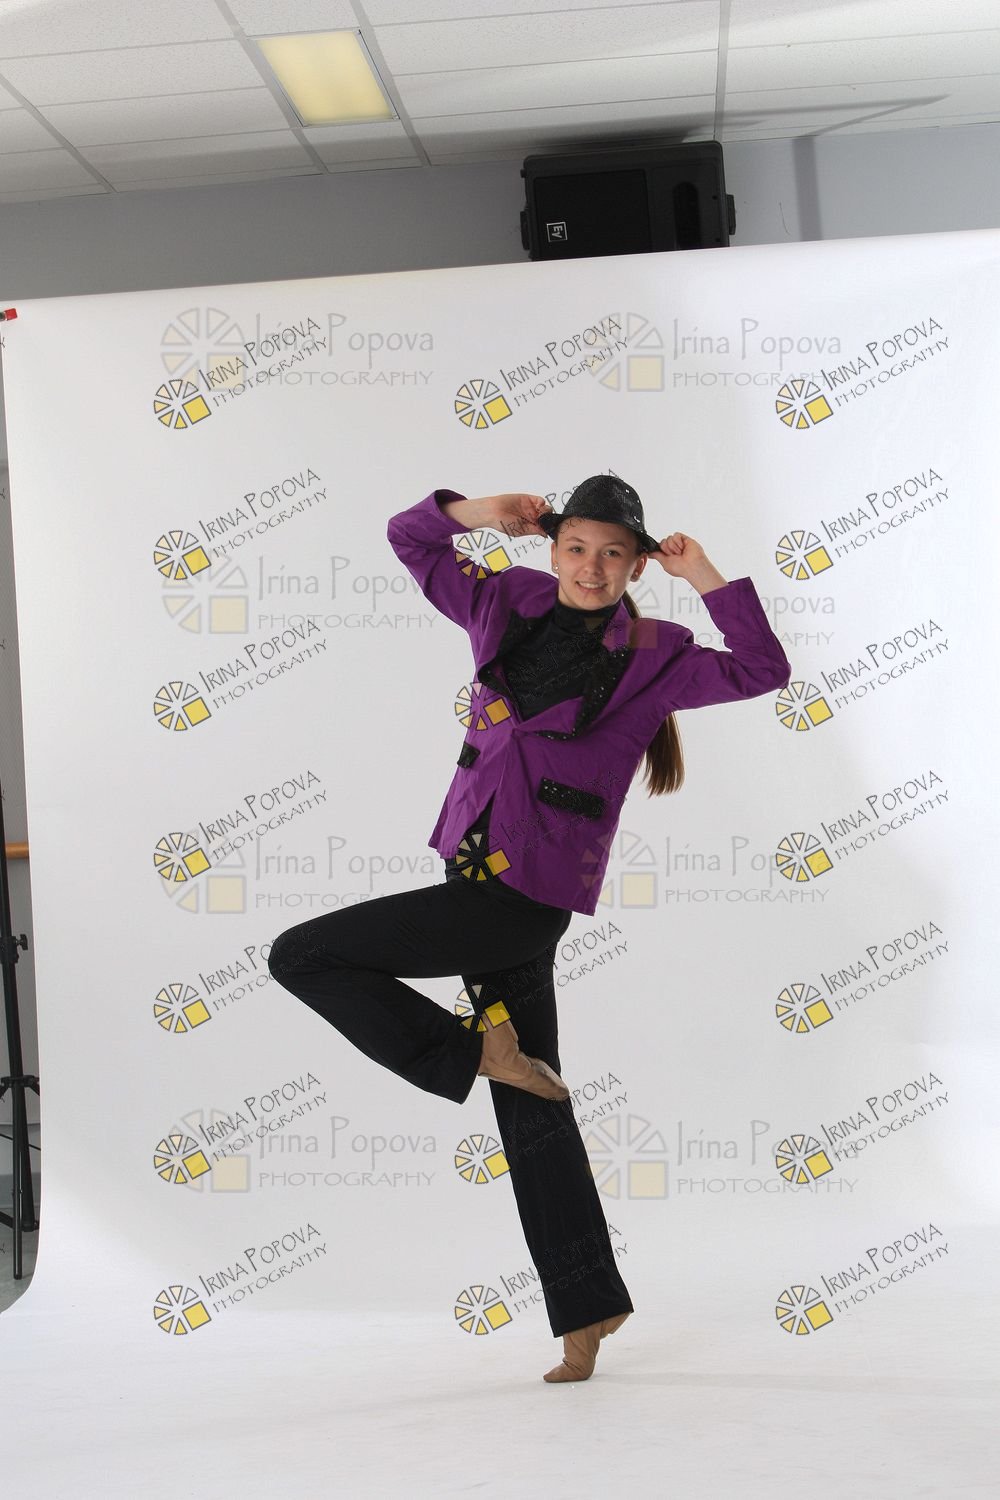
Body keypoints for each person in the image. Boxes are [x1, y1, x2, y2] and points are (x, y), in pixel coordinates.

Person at [268, 475, 791, 1382]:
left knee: (302, 955)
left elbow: (762, 669)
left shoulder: (657, 653)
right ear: (552, 550)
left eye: (613, 554)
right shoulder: (505, 600)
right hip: (467, 862)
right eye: (576, 547)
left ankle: (474, 1053)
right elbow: (410, 539)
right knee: (534, 1100)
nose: (591, 567)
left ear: (636, 567)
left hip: (526, 895)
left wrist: (705, 574)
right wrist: (482, 514)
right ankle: (589, 1309)